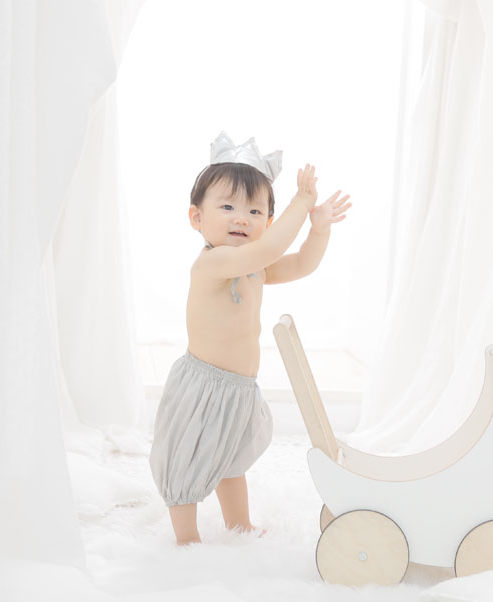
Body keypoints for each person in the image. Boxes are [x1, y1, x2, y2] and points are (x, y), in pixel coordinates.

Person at [149, 131, 351, 545]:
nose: (241, 218)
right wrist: (301, 201)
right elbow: (268, 250)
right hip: (203, 387)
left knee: (231, 461)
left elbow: (300, 264)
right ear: (196, 218)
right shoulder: (215, 263)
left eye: (255, 211)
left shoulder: (253, 265)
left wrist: (318, 230)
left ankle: (238, 523)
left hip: (239, 388)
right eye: (227, 207)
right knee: (188, 462)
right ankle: (185, 539)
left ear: (267, 223)